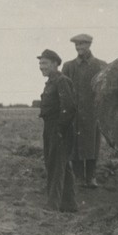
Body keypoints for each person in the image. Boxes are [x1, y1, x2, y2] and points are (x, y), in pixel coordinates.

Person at [62, 34, 107, 188]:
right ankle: (79, 177)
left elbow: (103, 91)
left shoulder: (101, 65)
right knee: (75, 145)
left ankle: (91, 176)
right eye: (77, 45)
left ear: (89, 45)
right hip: (74, 113)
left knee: (92, 144)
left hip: (93, 113)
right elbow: (64, 90)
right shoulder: (68, 67)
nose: (79, 48)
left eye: (82, 45)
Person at [38, 49, 78, 212]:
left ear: (55, 64)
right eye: (40, 64)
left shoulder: (62, 81)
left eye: (45, 63)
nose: (41, 67)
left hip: (59, 128)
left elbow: (68, 107)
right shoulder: (51, 81)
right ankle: (70, 204)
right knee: (61, 166)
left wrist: (60, 129)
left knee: (55, 165)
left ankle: (53, 205)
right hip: (51, 127)